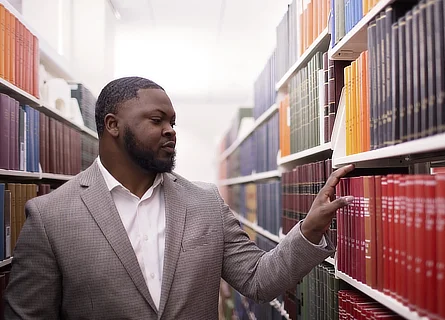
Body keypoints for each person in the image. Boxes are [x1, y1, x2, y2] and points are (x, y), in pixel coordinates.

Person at [4, 77, 354, 320]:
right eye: (157, 120)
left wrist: (310, 228)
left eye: (172, 121)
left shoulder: (204, 203)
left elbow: (258, 279)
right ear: (112, 125)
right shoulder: (51, 216)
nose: (170, 130)